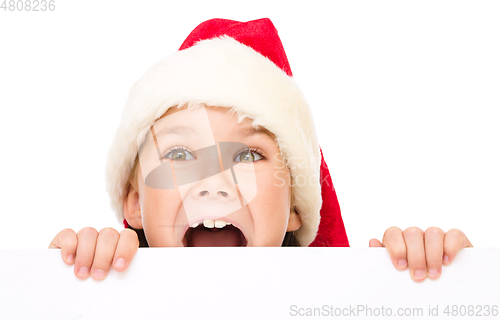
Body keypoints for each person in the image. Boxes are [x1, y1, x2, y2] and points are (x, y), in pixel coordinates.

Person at [49, 18, 472, 282]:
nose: (214, 184)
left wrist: (442, 282)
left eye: (248, 156)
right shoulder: (97, 293)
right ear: (136, 204)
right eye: (179, 155)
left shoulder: (357, 300)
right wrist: (62, 285)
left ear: (296, 208)